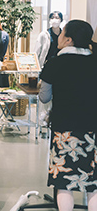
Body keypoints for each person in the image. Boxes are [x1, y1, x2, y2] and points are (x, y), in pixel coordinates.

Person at [38, 20, 97, 211]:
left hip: (64, 130)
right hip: (92, 129)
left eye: (62, 32)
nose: (59, 36)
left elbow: (44, 97)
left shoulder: (54, 63)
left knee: (63, 182)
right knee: (93, 182)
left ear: (69, 39)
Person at [34, 11, 63, 125]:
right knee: (45, 95)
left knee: (57, 94)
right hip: (46, 67)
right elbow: (37, 51)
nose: (55, 19)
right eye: (52, 17)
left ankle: (53, 118)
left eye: (57, 17)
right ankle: (43, 119)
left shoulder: (63, 35)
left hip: (60, 68)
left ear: (61, 19)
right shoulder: (44, 34)